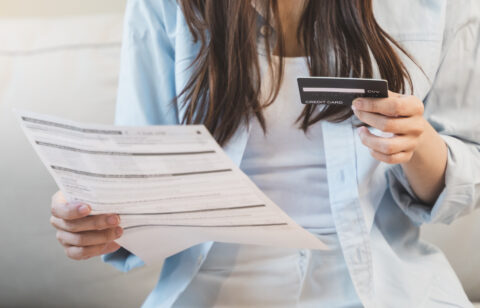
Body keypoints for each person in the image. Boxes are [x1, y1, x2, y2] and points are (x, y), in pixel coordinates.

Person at [49, 0, 480, 307]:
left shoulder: (440, 6)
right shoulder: (164, 6)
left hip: (385, 285)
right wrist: (94, 213)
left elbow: (466, 175)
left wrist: (418, 142)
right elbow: (137, 176)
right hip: (214, 291)